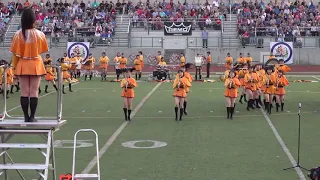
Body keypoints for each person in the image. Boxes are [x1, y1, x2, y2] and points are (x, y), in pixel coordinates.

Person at [10, 8, 49, 122]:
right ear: (33, 20)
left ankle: (26, 117)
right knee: (34, 91)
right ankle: (32, 116)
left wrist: (14, 68)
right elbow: (42, 50)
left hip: (22, 64)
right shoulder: (40, 34)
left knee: (24, 92)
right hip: (36, 63)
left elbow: (15, 54)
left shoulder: (17, 35)